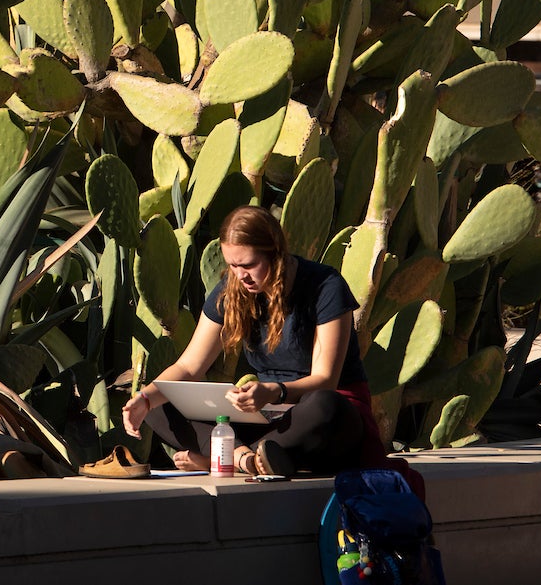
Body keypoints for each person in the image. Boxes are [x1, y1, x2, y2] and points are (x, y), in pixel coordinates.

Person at [122, 205, 381, 479]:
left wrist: (273, 391)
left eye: (248, 265)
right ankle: (243, 458)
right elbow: (189, 367)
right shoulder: (232, 290)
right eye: (232, 265)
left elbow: (326, 379)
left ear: (276, 253)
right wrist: (145, 398)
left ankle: (220, 458)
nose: (240, 275)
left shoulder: (325, 286)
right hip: (264, 419)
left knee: (325, 405)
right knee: (160, 403)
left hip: (318, 418)